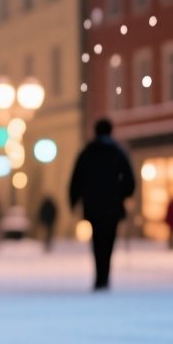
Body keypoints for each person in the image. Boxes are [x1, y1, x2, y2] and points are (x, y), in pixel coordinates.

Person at [68, 118, 136, 291]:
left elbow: (76, 179)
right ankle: (104, 275)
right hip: (112, 206)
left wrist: (74, 200)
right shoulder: (117, 152)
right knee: (109, 240)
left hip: (94, 206)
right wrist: (122, 194)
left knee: (97, 240)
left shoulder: (88, 152)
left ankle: (100, 275)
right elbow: (130, 180)